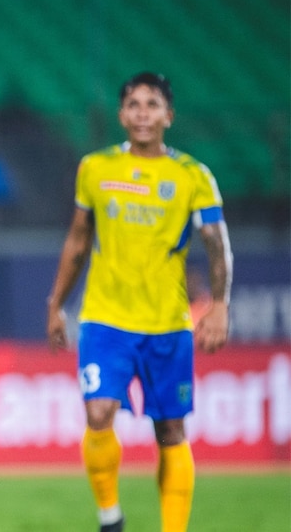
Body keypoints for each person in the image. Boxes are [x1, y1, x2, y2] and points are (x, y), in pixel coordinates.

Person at [45, 72, 233, 532]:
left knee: (169, 430)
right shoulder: (96, 168)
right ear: (121, 114)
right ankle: (111, 518)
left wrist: (221, 305)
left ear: (169, 115)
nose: (142, 112)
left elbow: (217, 246)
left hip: (168, 323)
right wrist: (55, 304)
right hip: (105, 319)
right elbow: (77, 241)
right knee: (98, 411)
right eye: (133, 104)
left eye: (152, 105)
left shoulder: (192, 175)